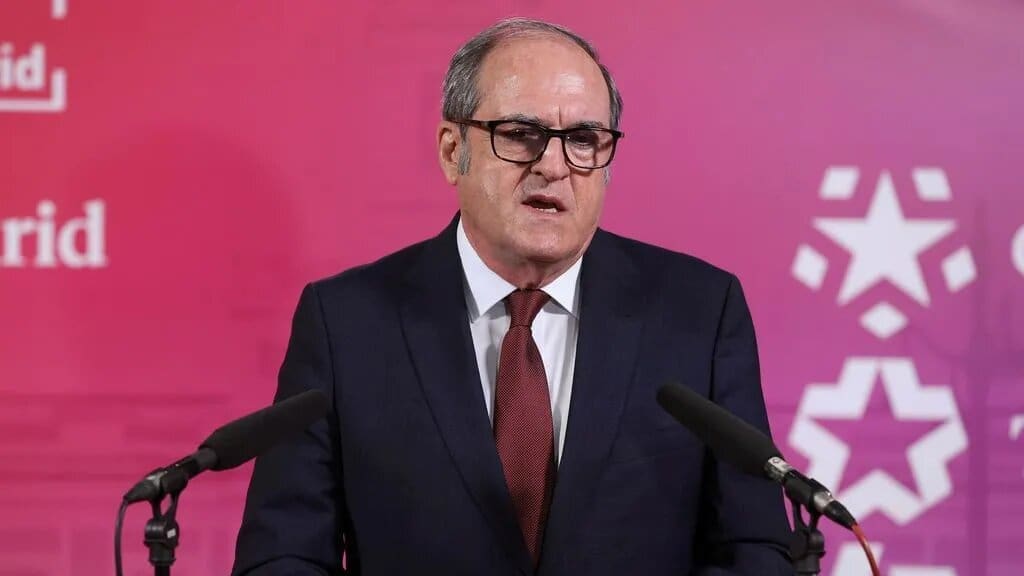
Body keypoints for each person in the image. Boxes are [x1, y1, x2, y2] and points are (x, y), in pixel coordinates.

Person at [232, 17, 793, 576]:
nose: (553, 166)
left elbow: (754, 548)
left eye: (583, 140)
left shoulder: (699, 313)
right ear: (452, 151)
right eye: (521, 134)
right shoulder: (347, 323)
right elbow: (283, 555)